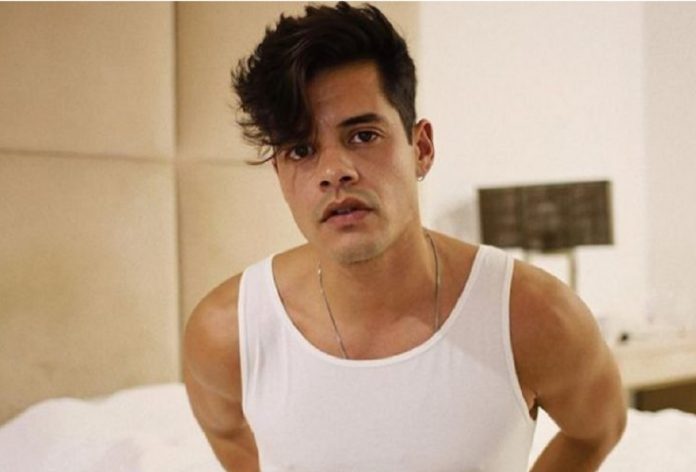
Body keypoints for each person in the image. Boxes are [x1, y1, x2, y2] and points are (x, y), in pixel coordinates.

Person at [183, 2, 627, 471]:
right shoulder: (227, 333)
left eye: (363, 136)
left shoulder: (533, 314)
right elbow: (228, 436)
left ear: (422, 148)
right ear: (279, 174)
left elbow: (597, 430)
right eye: (301, 149)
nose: (334, 171)